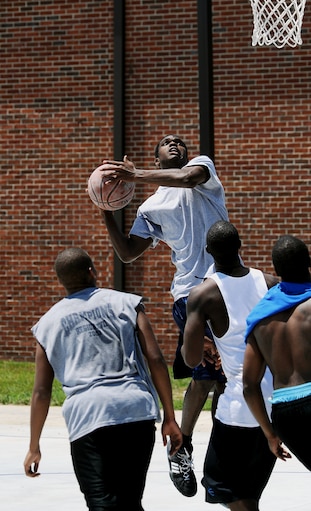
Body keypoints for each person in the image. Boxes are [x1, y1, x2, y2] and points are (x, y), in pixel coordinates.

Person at [99, 134, 228, 497]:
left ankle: (220, 448)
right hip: (190, 295)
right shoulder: (150, 207)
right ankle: (181, 447)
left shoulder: (201, 170)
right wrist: (106, 211)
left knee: (229, 381)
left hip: (228, 289)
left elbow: (187, 178)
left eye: (179, 142)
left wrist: (134, 175)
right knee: (205, 377)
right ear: (156, 154)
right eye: (166, 142)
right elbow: (127, 252)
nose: (175, 144)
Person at [23, 247, 182, 511]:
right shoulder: (127, 303)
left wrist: (34, 446)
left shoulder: (46, 325)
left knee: (101, 503)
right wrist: (169, 417)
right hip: (135, 410)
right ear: (92, 272)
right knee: (130, 501)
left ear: (60, 280)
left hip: (87, 417)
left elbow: (41, 391)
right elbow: (155, 359)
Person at [182, 221, 290, 510]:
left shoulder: (203, 295)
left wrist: (201, 341)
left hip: (240, 406)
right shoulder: (269, 282)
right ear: (240, 246)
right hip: (277, 404)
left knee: (223, 488)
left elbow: (191, 359)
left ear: (208, 252)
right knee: (249, 492)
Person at [243, 234, 311, 471]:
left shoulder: (259, 317)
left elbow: (249, 385)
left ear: (276, 269)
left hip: (285, 415)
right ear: (308, 262)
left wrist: (270, 434)